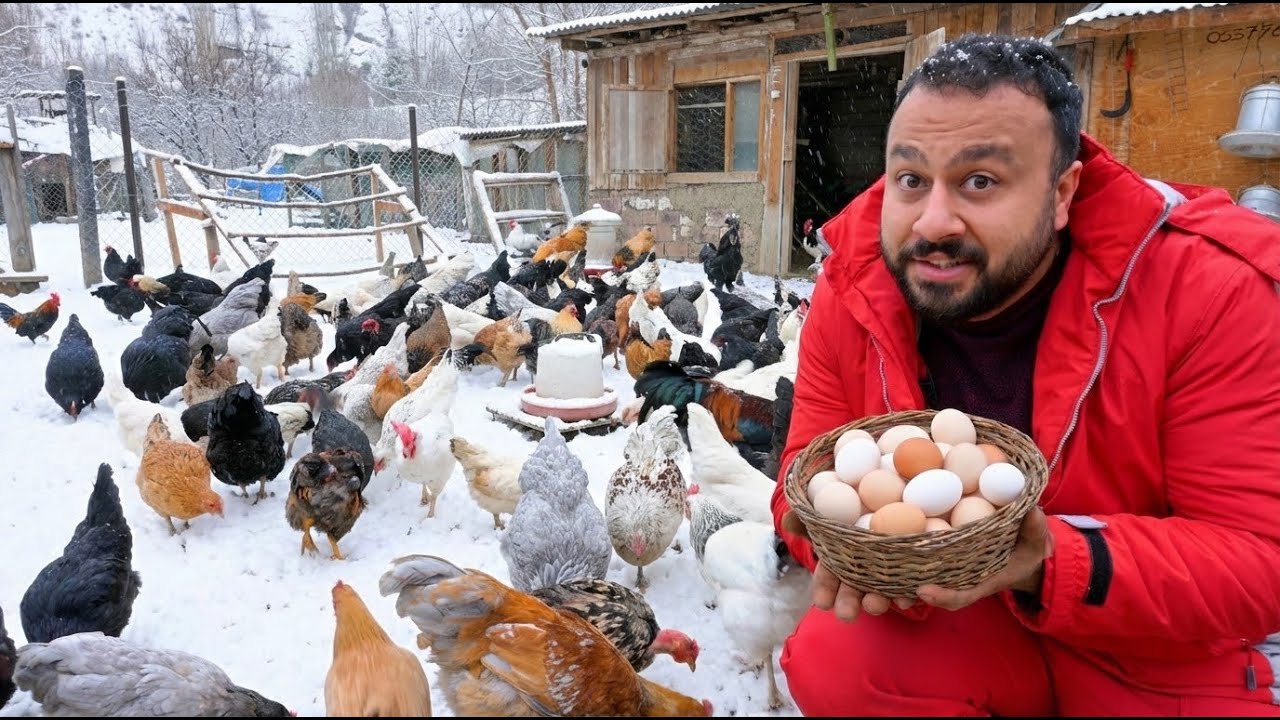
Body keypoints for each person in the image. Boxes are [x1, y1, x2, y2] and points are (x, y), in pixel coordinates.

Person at [773, 32, 1280, 716]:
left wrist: (1054, 560)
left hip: (1146, 644)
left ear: (1062, 191)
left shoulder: (1210, 289)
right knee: (842, 660)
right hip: (950, 619)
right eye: (911, 179)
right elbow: (809, 474)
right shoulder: (857, 283)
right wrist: (842, 548)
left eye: (980, 181)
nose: (934, 221)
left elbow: (1257, 558)